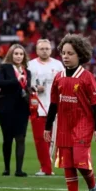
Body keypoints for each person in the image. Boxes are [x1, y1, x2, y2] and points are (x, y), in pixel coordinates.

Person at [44, 34, 96, 191]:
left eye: (70, 53)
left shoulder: (86, 77)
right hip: (63, 125)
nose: (65, 56)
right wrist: (48, 127)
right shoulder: (59, 77)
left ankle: (93, 187)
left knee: (80, 161)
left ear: (80, 55)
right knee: (67, 163)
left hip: (83, 124)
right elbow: (53, 104)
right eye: (63, 53)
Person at [0, 44, 32, 177]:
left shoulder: (28, 71)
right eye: (16, 54)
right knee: (7, 138)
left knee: (20, 138)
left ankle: (19, 170)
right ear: (11, 55)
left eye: (21, 54)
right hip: (6, 107)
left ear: (24, 56)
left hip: (22, 107)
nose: (19, 56)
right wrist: (16, 80)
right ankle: (7, 168)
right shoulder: (5, 67)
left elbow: (27, 88)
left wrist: (33, 90)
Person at [27, 39, 64, 176]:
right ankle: (45, 168)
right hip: (37, 106)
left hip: (55, 107)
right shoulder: (30, 65)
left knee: (52, 139)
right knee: (39, 138)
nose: (44, 51)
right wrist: (35, 88)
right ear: (37, 50)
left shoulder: (58, 65)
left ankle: (48, 166)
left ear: (51, 50)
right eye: (42, 49)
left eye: (47, 48)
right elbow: (26, 85)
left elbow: (65, 83)